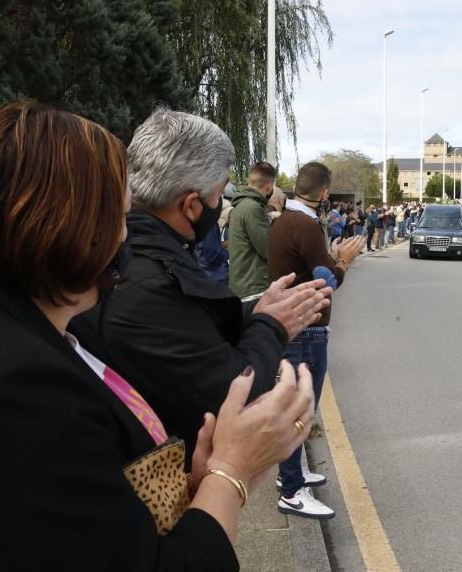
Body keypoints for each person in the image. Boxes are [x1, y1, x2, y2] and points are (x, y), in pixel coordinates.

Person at [0, 102, 315, 571]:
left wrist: (191, 488)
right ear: (74, 224)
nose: (125, 232)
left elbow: (78, 520)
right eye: (119, 210)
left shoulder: (2, 324)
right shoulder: (20, 387)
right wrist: (231, 471)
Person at [91, 109, 330, 459]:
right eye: (218, 196)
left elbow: (192, 328)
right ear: (191, 206)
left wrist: (254, 311)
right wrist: (272, 326)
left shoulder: (142, 255)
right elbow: (235, 394)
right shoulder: (147, 285)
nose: (222, 205)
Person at [267, 162, 365, 520]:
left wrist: (332, 256)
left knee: (295, 406)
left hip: (293, 326)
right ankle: (291, 489)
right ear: (324, 193)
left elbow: (312, 267)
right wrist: (344, 262)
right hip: (306, 330)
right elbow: (327, 282)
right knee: (300, 410)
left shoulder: (284, 221)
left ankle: (291, 473)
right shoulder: (306, 226)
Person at [229, 161, 277, 299]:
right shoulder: (252, 208)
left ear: (248, 181)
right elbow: (268, 249)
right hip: (253, 288)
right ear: (269, 186)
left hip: (243, 284)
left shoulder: (242, 205)